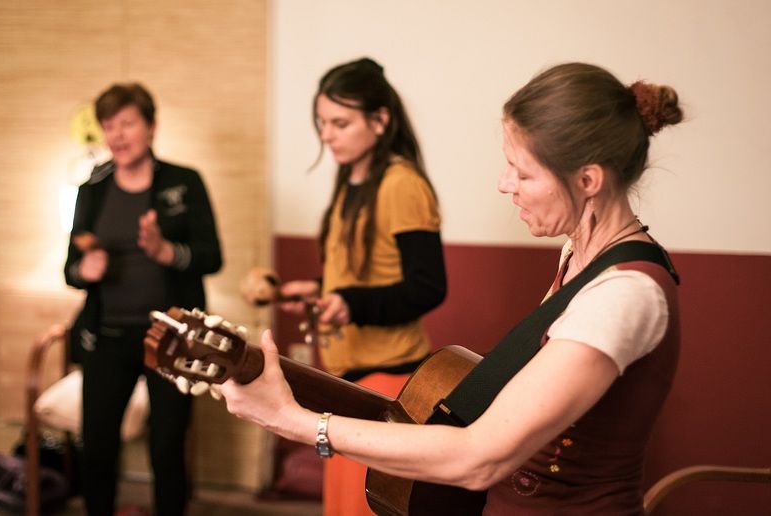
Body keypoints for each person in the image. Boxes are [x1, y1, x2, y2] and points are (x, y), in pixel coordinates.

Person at [221, 62, 684, 514]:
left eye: (522, 172)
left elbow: (480, 457)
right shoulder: (579, 254)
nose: (504, 184)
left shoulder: (625, 294)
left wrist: (292, 419)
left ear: (587, 180)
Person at [276, 57, 447, 514]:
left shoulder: (401, 184)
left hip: (386, 382)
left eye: (340, 123)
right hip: (346, 384)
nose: (327, 135)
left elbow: (428, 286)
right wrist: (318, 291)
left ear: (380, 120)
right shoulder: (352, 177)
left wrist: (349, 303)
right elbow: (361, 274)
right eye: (322, 123)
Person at [64, 83, 222, 516]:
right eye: (109, 125)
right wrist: (85, 269)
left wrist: (165, 251)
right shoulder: (92, 188)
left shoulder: (184, 182)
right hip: (107, 336)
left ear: (151, 127)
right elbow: (70, 269)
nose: (117, 135)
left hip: (171, 337)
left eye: (127, 123)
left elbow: (212, 257)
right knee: (98, 444)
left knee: (167, 446)